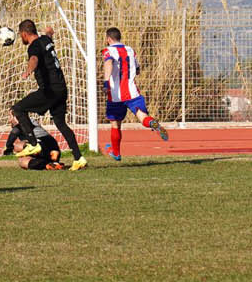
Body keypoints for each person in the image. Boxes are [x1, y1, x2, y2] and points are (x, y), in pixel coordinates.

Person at [12, 19, 86, 170]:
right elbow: (49, 37)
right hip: (61, 89)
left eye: (20, 35)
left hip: (50, 90)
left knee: (18, 109)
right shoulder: (45, 40)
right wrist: (49, 32)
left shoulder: (33, 46)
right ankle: (79, 158)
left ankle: (34, 144)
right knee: (61, 123)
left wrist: (28, 70)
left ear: (24, 34)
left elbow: (34, 59)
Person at [101, 27, 167, 163]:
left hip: (115, 95)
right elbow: (137, 69)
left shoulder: (108, 50)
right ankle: (152, 123)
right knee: (142, 116)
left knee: (115, 124)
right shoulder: (130, 50)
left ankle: (116, 153)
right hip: (132, 93)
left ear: (108, 39)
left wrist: (106, 82)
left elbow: (108, 63)